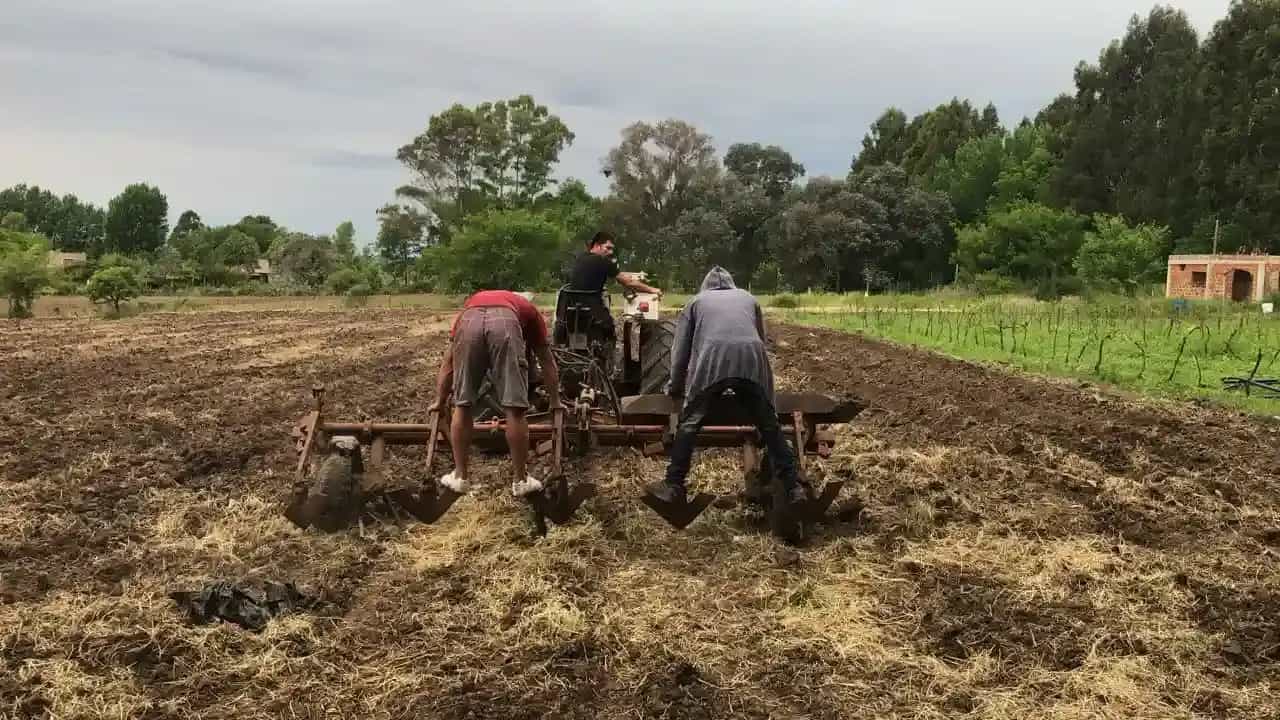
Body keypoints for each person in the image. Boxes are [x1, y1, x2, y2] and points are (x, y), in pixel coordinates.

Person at [646, 266, 811, 506]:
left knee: (689, 423)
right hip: (752, 359)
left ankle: (674, 486)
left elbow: (680, 352)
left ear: (705, 286)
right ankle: (794, 488)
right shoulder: (748, 298)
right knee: (770, 425)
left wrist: (676, 388)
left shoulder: (695, 302)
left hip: (713, 359)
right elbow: (760, 339)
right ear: (732, 284)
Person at [431, 290, 561, 497]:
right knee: (515, 409)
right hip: (505, 326)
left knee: (462, 405)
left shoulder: (472, 303)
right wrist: (555, 401)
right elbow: (546, 360)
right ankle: (520, 481)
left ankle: (460, 477)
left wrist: (440, 400)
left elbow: (448, 362)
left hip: (469, 322)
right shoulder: (529, 311)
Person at [567, 230, 663, 341]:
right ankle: (608, 354)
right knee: (609, 329)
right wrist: (651, 289)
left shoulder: (580, 258)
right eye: (607, 248)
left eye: (612, 249)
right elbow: (628, 282)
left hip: (572, 310)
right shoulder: (603, 261)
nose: (610, 252)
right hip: (593, 312)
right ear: (597, 246)